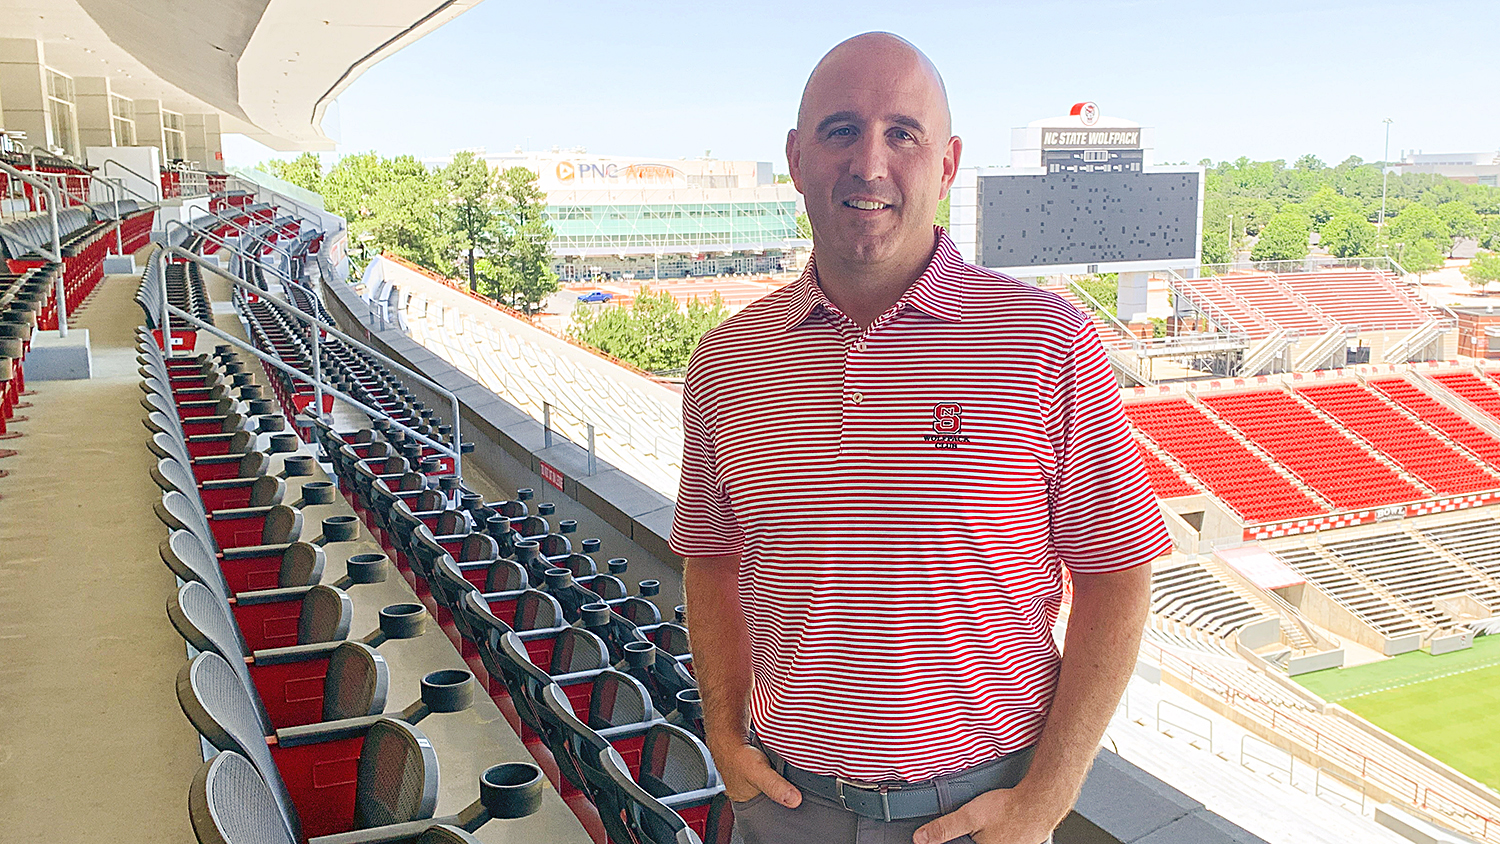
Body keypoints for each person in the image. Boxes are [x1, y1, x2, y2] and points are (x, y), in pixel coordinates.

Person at [670, 32, 1172, 844]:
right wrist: (726, 736)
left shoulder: (1047, 343)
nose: (870, 162)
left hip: (980, 811)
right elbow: (710, 558)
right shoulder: (728, 362)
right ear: (796, 158)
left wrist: (1046, 799)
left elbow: (1117, 576)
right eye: (841, 130)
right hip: (786, 808)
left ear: (947, 164)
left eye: (903, 133)